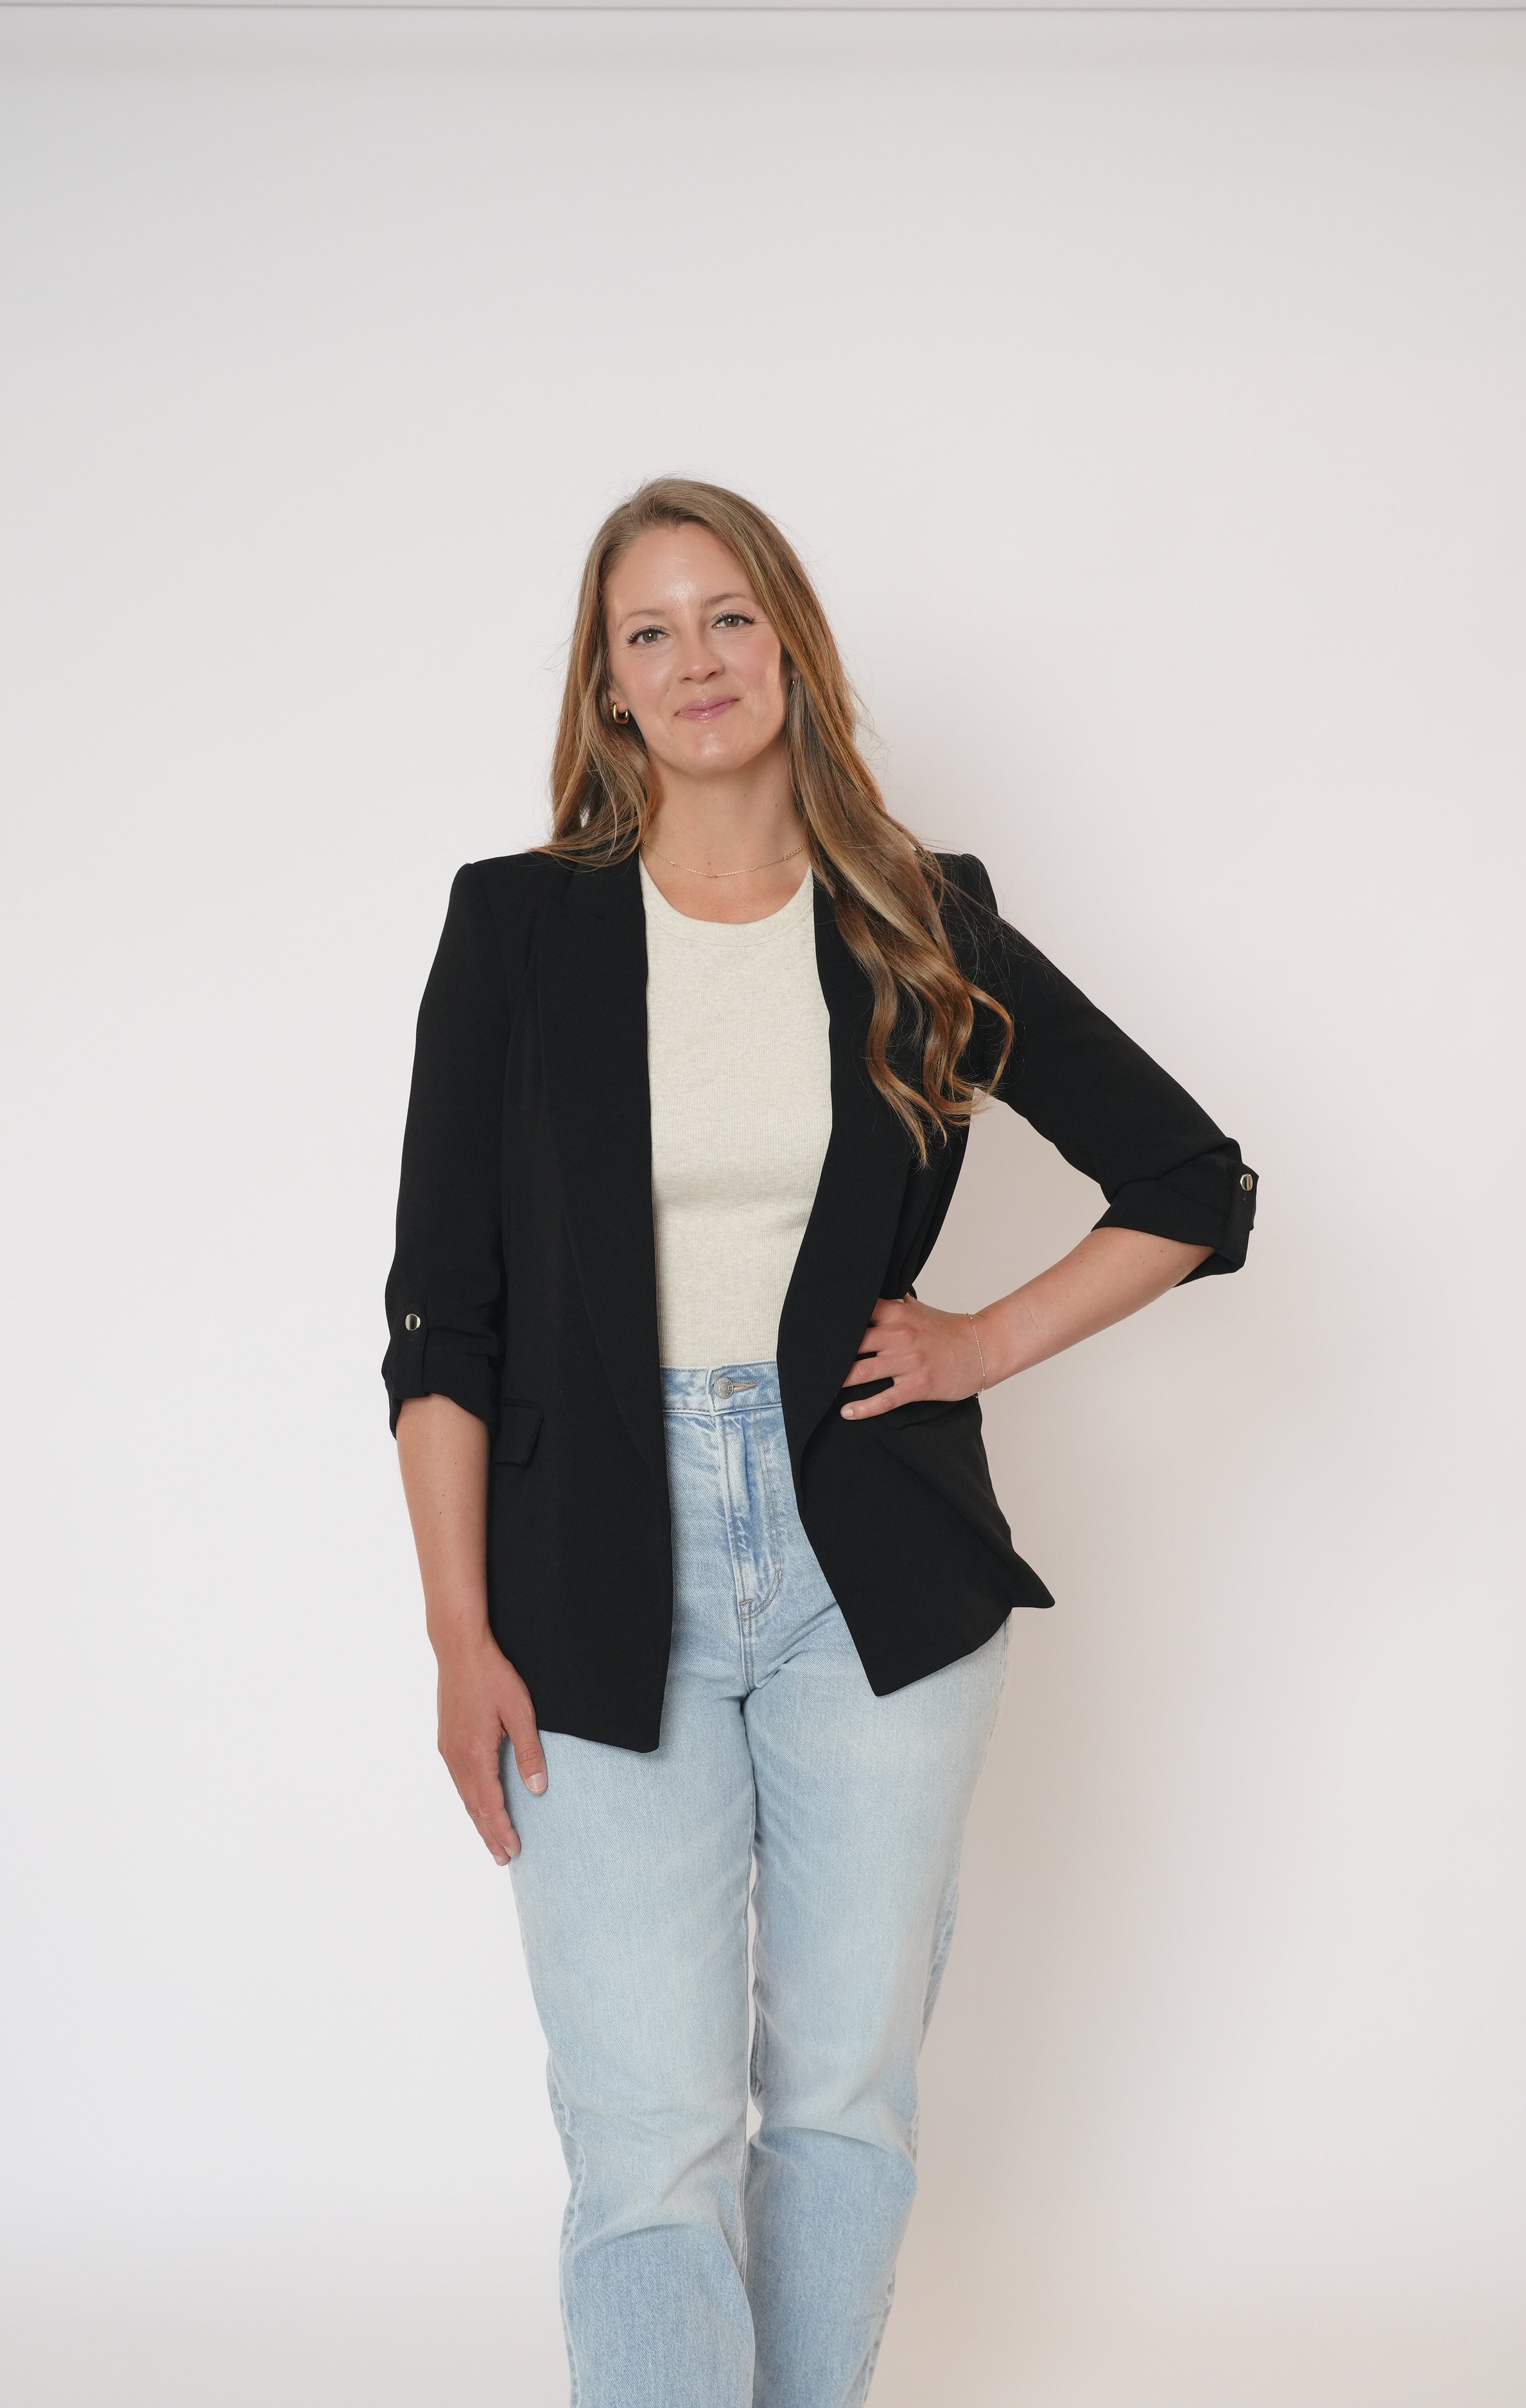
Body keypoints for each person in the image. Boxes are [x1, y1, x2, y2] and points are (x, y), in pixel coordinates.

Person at [385, 477, 1256, 2408]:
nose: (692, 663)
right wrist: (459, 1630)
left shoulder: (918, 917)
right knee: (646, 2141)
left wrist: (981, 1341)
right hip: (587, 1574)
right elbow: (442, 1314)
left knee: (841, 2102)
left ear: (787, 647)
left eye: (725, 619)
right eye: (646, 632)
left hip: (873, 1561)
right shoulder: (517, 930)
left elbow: (1193, 1180)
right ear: (607, 690)